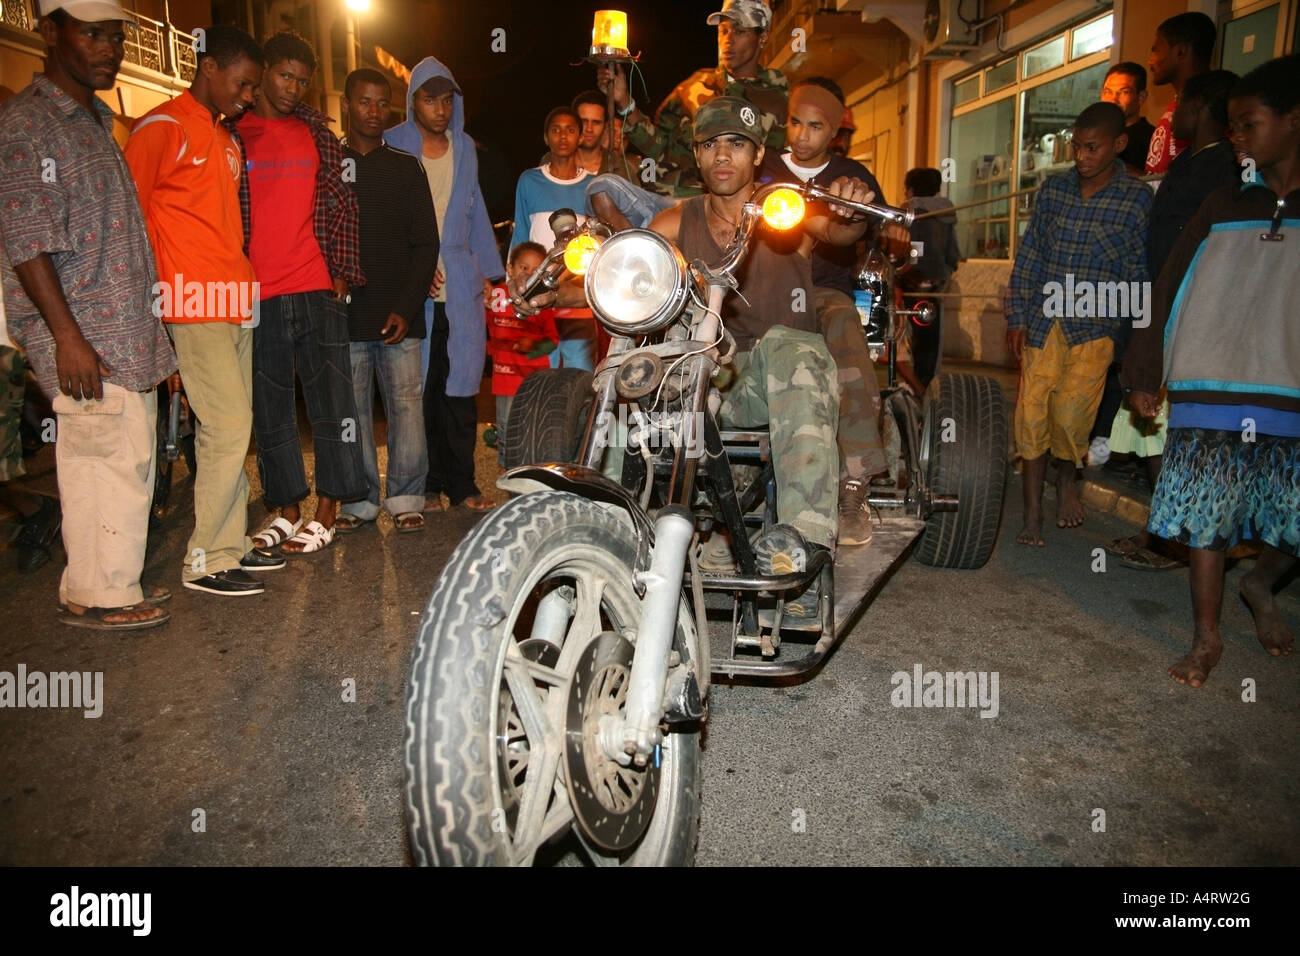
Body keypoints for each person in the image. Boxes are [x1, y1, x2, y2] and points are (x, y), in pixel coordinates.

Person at [516, 98, 880, 608]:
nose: (723, 155)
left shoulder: (787, 209)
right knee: (628, 374)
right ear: (697, 155)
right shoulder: (676, 221)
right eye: (711, 145)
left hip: (771, 380)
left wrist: (846, 210)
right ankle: (606, 535)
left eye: (736, 143)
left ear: (757, 155)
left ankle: (800, 541)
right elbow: (628, 273)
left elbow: (839, 229)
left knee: (797, 350)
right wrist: (559, 293)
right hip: (703, 378)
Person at [1123, 55, 1299, 687]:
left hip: (1289, 389)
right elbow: (1169, 287)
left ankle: (1260, 585)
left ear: (1293, 120)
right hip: (1212, 385)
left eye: (1249, 123)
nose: (1238, 137)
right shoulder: (1222, 204)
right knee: (1205, 513)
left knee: (1291, 515)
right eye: (1232, 125)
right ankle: (1207, 635)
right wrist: (1147, 369)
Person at [0, 0, 176, 627]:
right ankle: (99, 595)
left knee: (123, 459)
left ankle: (105, 581)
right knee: (100, 458)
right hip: (85, 335)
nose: (109, 48)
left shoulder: (92, 121)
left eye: (116, 37)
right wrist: (66, 338)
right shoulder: (30, 124)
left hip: (120, 330)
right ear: (50, 33)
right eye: (92, 34)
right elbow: (27, 242)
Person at [125, 24, 283, 593]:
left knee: (234, 430)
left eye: (253, 88)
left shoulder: (222, 135)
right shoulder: (161, 128)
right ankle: (206, 559)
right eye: (242, 84)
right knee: (226, 425)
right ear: (209, 67)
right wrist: (147, 315)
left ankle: (232, 544)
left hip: (233, 299)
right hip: (193, 302)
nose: (248, 96)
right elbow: (130, 225)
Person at [226, 31, 366, 555]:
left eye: (302, 81)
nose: (292, 88)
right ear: (263, 71)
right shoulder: (234, 134)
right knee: (270, 408)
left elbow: (344, 205)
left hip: (315, 285)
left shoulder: (319, 136)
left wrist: (344, 274)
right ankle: (286, 510)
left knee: (334, 405)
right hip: (255, 292)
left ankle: (328, 510)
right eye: (285, 76)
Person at [1106, 70, 1242, 573]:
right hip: (1160, 308)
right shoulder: (1192, 161)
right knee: (1152, 428)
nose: (1173, 109)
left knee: (1169, 427)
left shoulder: (1221, 170)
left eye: (1181, 100)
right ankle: (1166, 529)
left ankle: (1179, 537)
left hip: (1187, 314)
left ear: (1202, 108)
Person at [757, 77, 900, 545]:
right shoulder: (760, 164)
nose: (801, 135)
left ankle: (854, 484)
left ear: (834, 132)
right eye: (795, 122)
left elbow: (871, 239)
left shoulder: (853, 176)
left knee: (844, 327)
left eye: (814, 126)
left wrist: (858, 212)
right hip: (760, 288)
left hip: (823, 291)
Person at [1005, 102, 1152, 547]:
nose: (1082, 156)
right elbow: (1031, 253)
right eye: (1077, 146)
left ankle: (1066, 479)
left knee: (1071, 420)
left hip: (1097, 328)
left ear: (1119, 145)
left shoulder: (1136, 199)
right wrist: (1016, 313)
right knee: (1031, 416)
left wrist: (1135, 338)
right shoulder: (1054, 190)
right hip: (1044, 319)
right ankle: (1032, 515)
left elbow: (1137, 270)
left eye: (1093, 147)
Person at [384, 56, 504, 513]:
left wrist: (490, 276)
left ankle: (463, 485)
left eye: (446, 99)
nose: (439, 108)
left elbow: (473, 215)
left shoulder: (466, 147)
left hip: (459, 280)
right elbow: (382, 218)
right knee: (421, 389)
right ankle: (425, 485)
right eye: (428, 98)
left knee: (462, 384)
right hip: (412, 286)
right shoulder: (392, 143)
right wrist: (410, 267)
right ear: (413, 101)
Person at [336, 68, 439, 535]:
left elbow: (425, 244)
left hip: (401, 313)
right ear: (346, 104)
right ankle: (358, 499)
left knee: (405, 409)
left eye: (382, 103)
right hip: (345, 314)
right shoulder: (328, 166)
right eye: (364, 102)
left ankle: (405, 496)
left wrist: (407, 305)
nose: (374, 112)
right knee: (351, 412)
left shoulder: (405, 166)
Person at [588, 0, 788, 229]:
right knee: (602, 187)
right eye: (723, 31)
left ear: (762, 38)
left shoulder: (776, 95)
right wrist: (624, 100)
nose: (728, 40)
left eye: (740, 32)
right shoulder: (693, 88)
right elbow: (659, 148)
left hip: (726, 211)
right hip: (667, 201)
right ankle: (642, 248)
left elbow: (775, 165)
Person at [513, 106, 596, 372]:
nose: (563, 136)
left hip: (578, 300)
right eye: (556, 130)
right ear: (546, 137)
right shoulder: (529, 180)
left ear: (580, 137)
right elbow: (520, 234)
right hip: (538, 298)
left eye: (571, 130)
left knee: (579, 379)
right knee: (536, 378)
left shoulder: (594, 186)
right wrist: (515, 282)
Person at [487, 242, 559, 464]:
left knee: (532, 430)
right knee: (508, 431)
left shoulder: (542, 302)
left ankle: (531, 470)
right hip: (505, 382)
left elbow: (552, 341)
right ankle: (510, 474)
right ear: (510, 269)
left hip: (534, 384)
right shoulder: (497, 297)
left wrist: (533, 345)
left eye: (535, 270)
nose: (528, 274)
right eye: (523, 268)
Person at [900, 166, 961, 388]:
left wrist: (905, 273)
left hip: (911, 284)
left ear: (912, 189)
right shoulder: (946, 213)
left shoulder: (909, 212)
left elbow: (909, 250)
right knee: (932, 338)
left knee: (909, 336)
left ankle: (915, 386)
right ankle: (929, 383)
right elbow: (952, 251)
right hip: (936, 285)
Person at [1146, 12, 1216, 175]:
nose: (1150, 60)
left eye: (1156, 51)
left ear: (1181, 52)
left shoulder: (1210, 108)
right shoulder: (1177, 104)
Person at [1101, 62, 1155, 175]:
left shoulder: (1152, 139)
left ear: (1141, 97)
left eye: (1124, 92)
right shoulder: (1095, 135)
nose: (1113, 99)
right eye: (1108, 92)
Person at [572, 90, 608, 177]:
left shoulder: (621, 169)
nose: (589, 129)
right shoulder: (553, 160)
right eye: (584, 121)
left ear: (605, 126)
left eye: (596, 122)